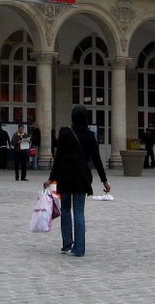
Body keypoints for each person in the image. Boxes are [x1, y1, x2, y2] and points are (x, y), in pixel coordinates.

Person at [46, 105, 110, 258]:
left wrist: (51, 178)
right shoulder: (90, 136)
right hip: (81, 177)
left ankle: (67, 242)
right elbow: (97, 160)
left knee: (66, 209)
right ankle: (79, 248)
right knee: (79, 211)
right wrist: (104, 181)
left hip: (65, 175)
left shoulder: (65, 133)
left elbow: (58, 157)